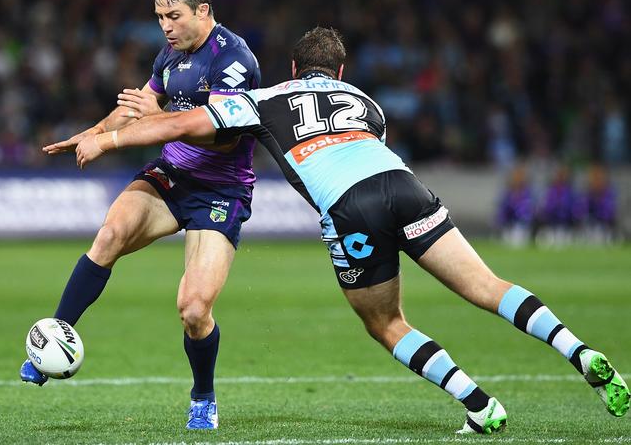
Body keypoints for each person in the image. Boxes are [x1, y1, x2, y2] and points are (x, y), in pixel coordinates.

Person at [73, 27, 629, 433]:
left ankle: (479, 404)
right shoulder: (367, 102)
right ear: (339, 73)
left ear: (293, 70)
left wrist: (112, 136)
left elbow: (187, 123)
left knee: (386, 322)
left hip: (349, 207)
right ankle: (580, 353)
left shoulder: (264, 99)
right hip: (404, 183)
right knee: (488, 286)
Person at [24, 0, 261, 430]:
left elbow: (224, 139)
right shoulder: (171, 54)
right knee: (110, 233)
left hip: (220, 188)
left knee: (194, 309)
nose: (165, 27)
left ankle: (203, 397)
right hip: (171, 174)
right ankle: (52, 340)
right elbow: (137, 107)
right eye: (159, 17)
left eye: (174, 16)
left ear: (203, 11)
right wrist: (92, 132)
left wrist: (155, 118)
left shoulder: (233, 61)